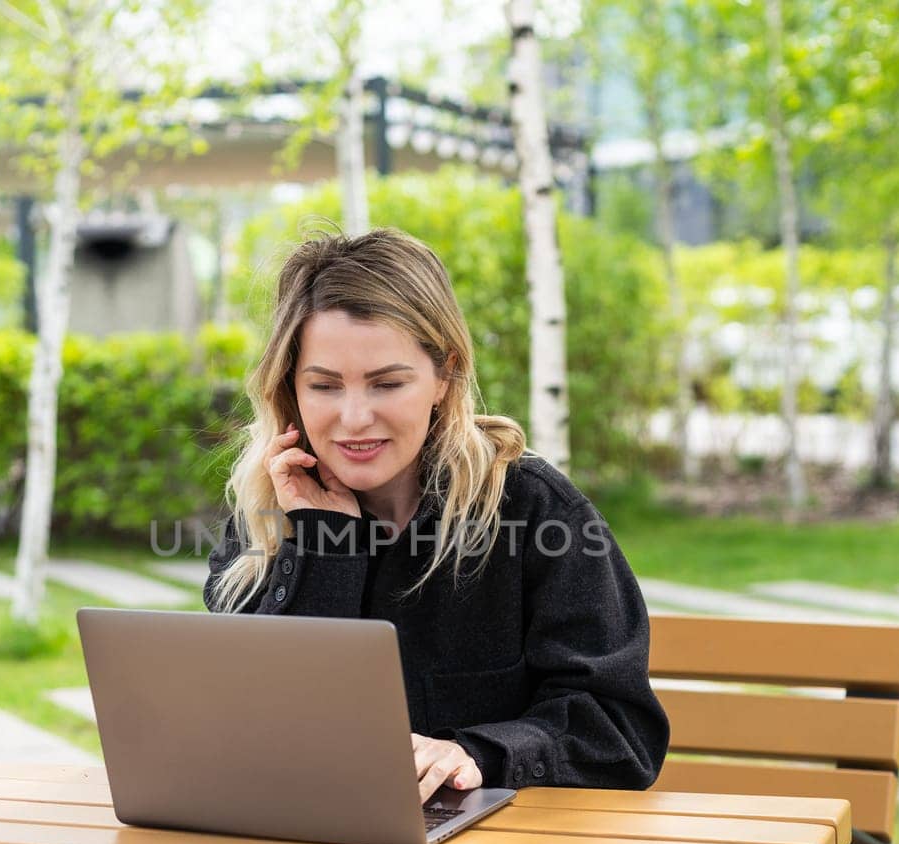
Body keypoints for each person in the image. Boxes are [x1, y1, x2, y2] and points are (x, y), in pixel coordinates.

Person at [205, 228, 668, 802]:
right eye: (324, 385)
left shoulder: (534, 510)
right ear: (289, 390)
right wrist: (326, 544)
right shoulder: (268, 518)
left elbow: (619, 731)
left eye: (387, 384)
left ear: (443, 376)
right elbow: (258, 728)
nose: (353, 419)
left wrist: (474, 753)